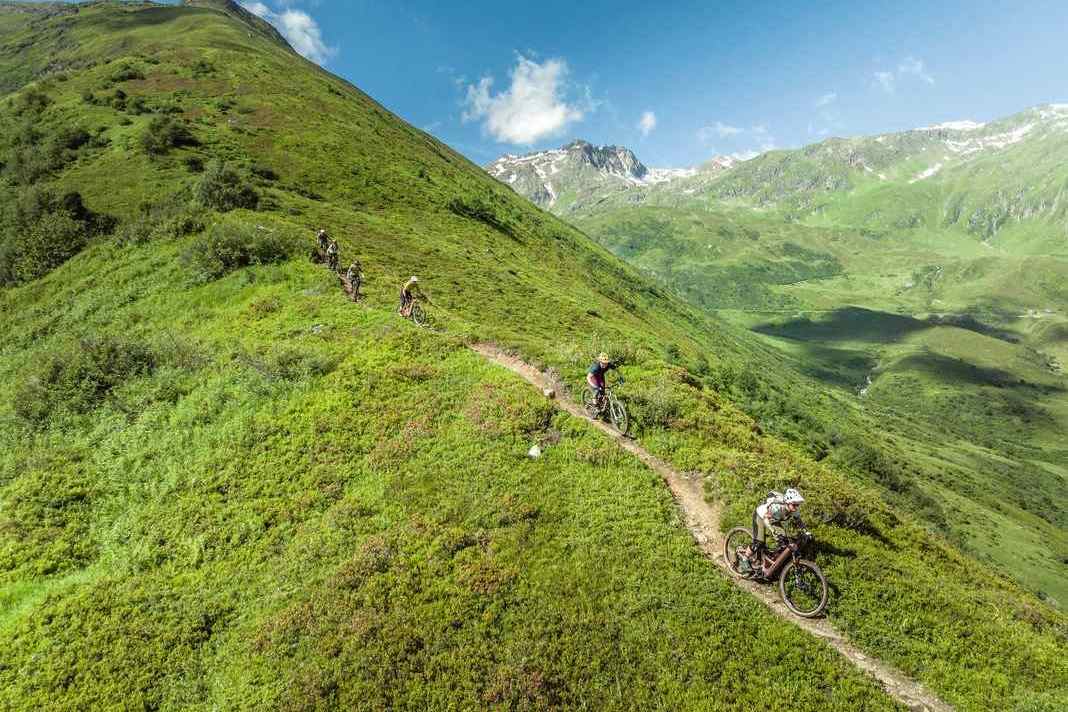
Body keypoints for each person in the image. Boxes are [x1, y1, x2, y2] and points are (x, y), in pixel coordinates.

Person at [745, 488, 806, 573]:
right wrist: (773, 531)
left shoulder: (794, 510)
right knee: (759, 542)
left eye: (797, 505)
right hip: (761, 516)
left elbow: (799, 522)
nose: (796, 507)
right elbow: (766, 520)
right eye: (794, 504)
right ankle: (744, 559)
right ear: (788, 503)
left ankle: (767, 561)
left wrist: (806, 532)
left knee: (784, 543)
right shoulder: (777, 507)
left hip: (774, 519)